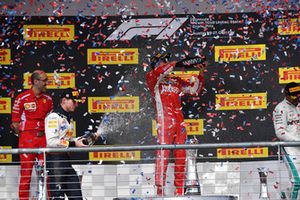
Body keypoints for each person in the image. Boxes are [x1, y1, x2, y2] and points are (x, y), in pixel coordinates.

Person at [146, 53, 205, 196]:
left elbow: (194, 90)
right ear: (155, 64)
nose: (165, 64)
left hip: (179, 120)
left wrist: (201, 73)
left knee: (181, 154)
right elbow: (161, 71)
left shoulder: (176, 80)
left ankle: (179, 190)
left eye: (165, 62)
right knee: (163, 154)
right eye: (162, 62)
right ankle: (159, 191)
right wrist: (177, 63)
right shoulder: (153, 78)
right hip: (164, 120)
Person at [11, 70, 53, 200]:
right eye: (44, 80)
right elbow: (15, 123)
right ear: (35, 81)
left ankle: (48, 198)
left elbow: (51, 121)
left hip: (44, 139)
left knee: (46, 172)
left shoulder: (48, 99)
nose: (47, 83)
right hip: (27, 139)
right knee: (26, 173)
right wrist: (26, 135)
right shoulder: (21, 98)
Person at [45, 88, 87, 200]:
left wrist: (83, 139)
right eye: (74, 101)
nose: (76, 104)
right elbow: (51, 142)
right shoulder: (53, 117)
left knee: (77, 197)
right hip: (55, 163)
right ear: (64, 100)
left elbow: (67, 140)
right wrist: (74, 144)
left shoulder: (67, 118)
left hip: (66, 162)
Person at [273, 82, 300, 200]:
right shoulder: (280, 109)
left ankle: (285, 196)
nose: (297, 99)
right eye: (294, 96)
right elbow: (280, 132)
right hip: (290, 148)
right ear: (286, 95)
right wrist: (297, 141)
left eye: (298, 96)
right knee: (297, 180)